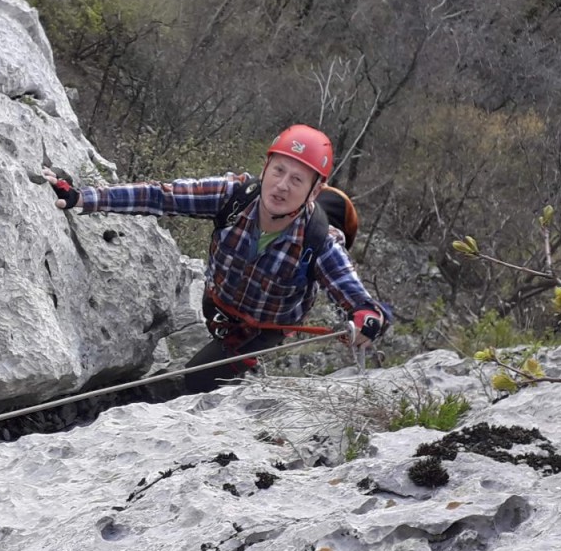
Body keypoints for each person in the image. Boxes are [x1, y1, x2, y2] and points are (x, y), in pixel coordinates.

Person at [43, 124, 391, 393]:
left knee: (195, 382)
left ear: (315, 192)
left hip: (261, 331)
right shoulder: (234, 196)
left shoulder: (319, 241)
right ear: (265, 167)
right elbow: (160, 197)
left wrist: (368, 318)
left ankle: (237, 373)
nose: (282, 186)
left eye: (297, 179)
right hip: (218, 303)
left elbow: (359, 299)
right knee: (207, 355)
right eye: (278, 171)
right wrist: (82, 198)